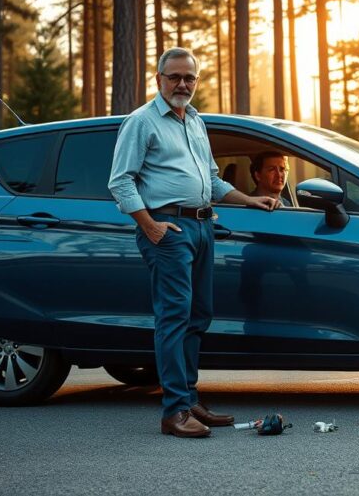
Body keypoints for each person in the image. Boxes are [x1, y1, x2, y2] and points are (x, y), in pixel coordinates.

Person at [108, 47, 280, 438]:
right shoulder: (142, 122)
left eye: (189, 78)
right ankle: (173, 412)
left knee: (199, 316)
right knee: (174, 318)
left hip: (203, 227)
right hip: (168, 229)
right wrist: (150, 226)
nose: (182, 84)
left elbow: (213, 180)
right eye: (175, 77)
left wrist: (248, 199)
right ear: (158, 80)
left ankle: (189, 400)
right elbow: (120, 181)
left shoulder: (195, 121)